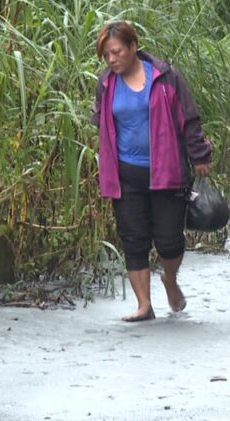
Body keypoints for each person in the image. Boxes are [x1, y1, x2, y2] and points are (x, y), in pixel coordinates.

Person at [91, 21, 212, 322]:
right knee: (133, 238)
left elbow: (189, 118)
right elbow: (100, 121)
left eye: (116, 52)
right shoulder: (106, 83)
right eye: (106, 55)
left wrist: (199, 154)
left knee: (170, 240)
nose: (111, 59)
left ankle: (169, 280)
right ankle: (144, 305)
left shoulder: (165, 77)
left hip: (165, 171)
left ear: (133, 46)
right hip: (125, 175)